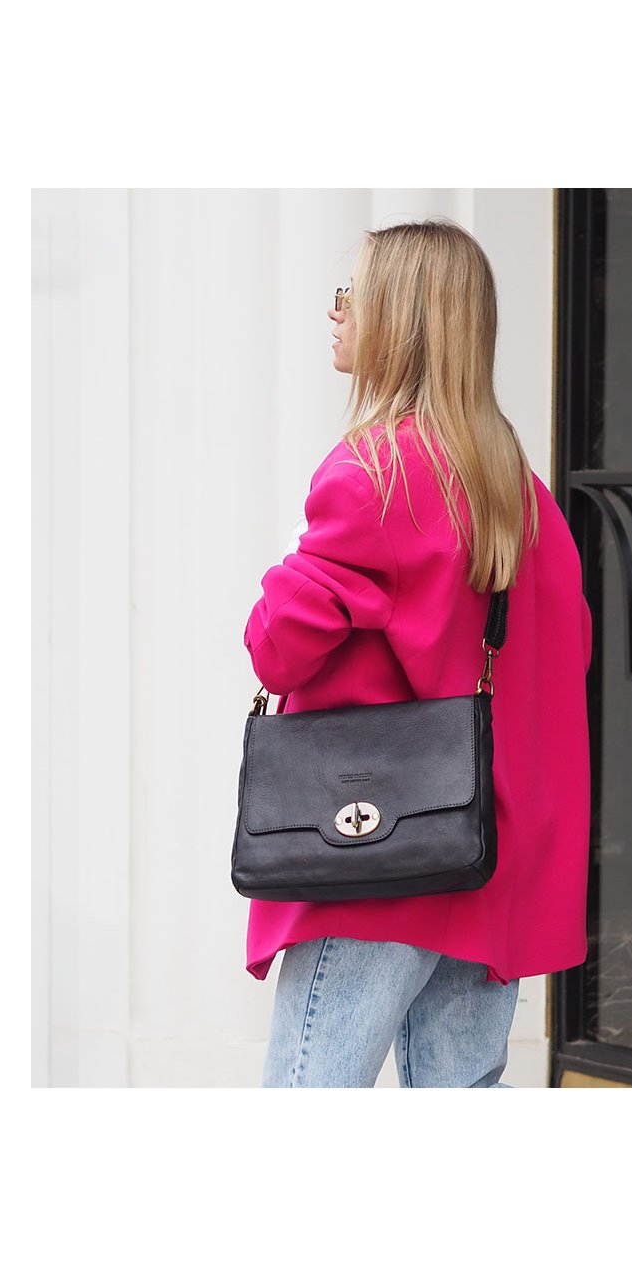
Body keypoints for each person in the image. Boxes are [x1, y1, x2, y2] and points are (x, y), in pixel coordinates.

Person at [242, 219, 592, 1088]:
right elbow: (563, 661)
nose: (336, 312)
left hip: (379, 856)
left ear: (399, 319)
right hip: (486, 858)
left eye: (351, 295)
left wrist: (290, 559)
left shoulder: (375, 474)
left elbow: (276, 649)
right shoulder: (522, 494)